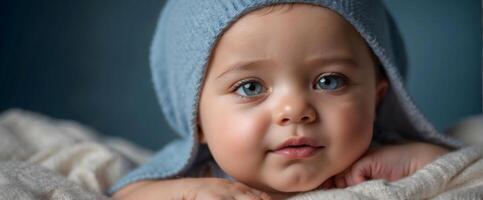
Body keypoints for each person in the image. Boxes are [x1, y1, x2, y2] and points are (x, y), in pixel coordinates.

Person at [110, 1, 461, 199]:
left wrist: (418, 159)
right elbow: (126, 195)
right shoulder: (200, 174)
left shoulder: (379, 164)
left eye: (329, 81)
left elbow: (464, 172)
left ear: (377, 98)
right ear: (197, 120)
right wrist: (187, 193)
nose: (295, 110)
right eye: (250, 87)